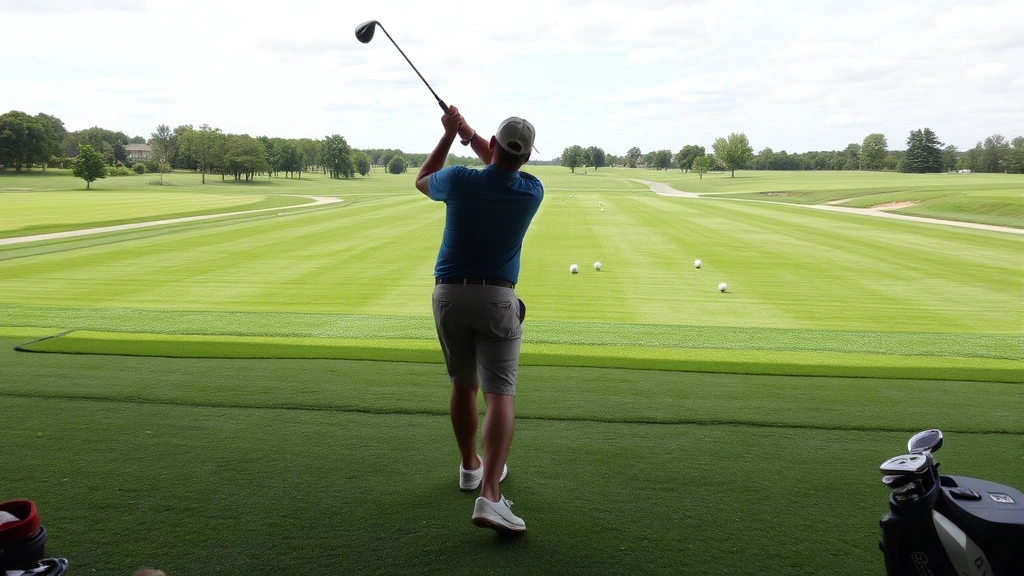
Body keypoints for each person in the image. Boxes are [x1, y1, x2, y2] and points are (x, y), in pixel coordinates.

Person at [415, 106, 543, 533]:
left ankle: (470, 466)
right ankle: (490, 494)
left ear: (493, 140)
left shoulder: (459, 180)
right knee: (500, 393)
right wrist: (473, 138)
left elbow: (422, 180)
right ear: (525, 157)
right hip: (497, 300)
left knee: (463, 385)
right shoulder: (531, 190)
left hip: (448, 295)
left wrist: (452, 135)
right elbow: (501, 165)